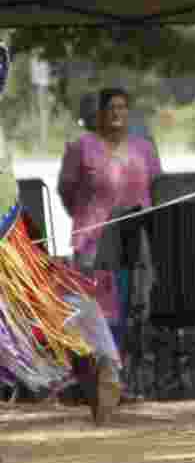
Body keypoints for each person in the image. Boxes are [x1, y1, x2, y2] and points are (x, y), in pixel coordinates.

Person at [0, 45, 122, 424]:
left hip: (8, 228)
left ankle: (95, 363)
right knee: (38, 303)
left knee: (32, 305)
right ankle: (98, 361)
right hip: (10, 227)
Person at [58, 87, 162, 398]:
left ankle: (128, 380)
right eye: (110, 108)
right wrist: (90, 216)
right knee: (99, 312)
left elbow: (156, 187)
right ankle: (103, 380)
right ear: (99, 114)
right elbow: (66, 191)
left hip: (136, 238)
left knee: (135, 306)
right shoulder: (80, 147)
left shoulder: (143, 148)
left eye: (122, 108)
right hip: (93, 241)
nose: (117, 113)